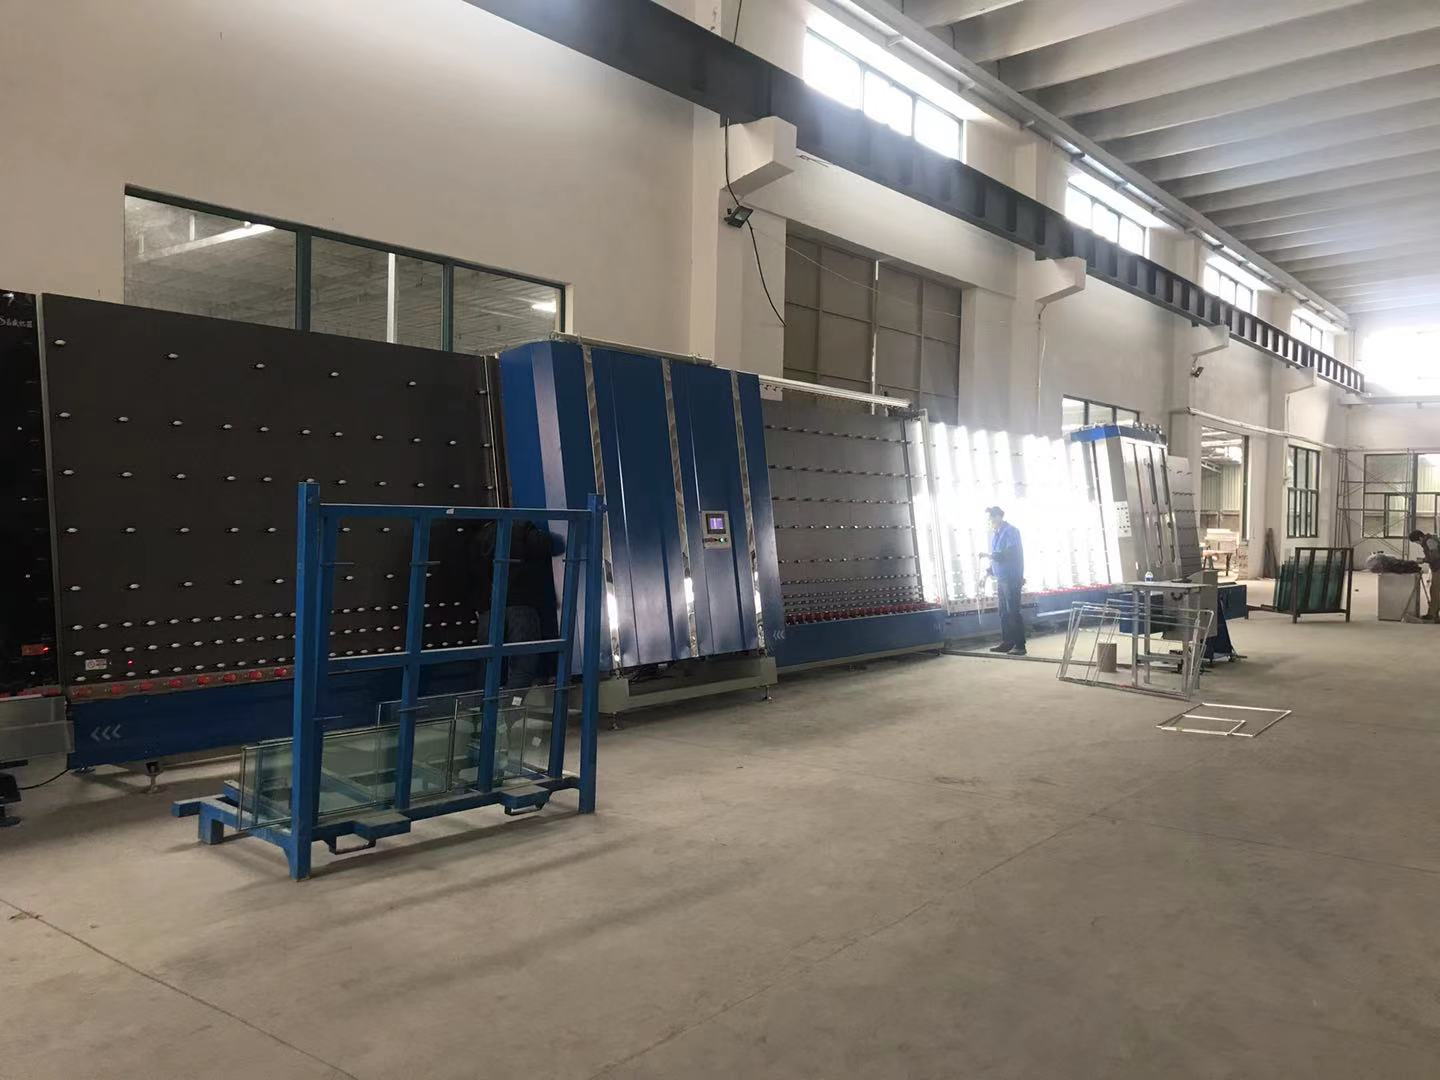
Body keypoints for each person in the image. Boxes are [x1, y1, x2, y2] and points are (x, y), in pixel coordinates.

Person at [467, 518, 559, 691]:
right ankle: (511, 705)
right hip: (520, 606)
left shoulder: (476, 539)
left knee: (488, 667)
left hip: (488, 611)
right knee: (523, 665)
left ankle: (486, 705)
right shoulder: (519, 529)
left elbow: (469, 578)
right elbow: (550, 544)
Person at [983, 506, 1026, 655]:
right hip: (1001, 578)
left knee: (1013, 611)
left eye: (991, 519)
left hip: (1011, 577)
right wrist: (988, 572)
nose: (990, 522)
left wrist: (990, 556)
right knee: (1003, 612)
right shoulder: (996, 535)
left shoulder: (1011, 531)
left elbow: (1010, 553)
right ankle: (1008, 642)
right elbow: (996, 556)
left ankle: (1020, 645)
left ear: (998, 517)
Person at [1408, 529, 1440, 622]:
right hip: (1436, 568)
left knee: (1435, 592)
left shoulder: (1429, 541)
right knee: (1434, 591)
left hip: (1438, 568)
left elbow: (1435, 556)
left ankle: (1432, 615)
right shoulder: (1429, 540)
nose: (1418, 544)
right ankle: (1434, 614)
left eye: (1417, 542)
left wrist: (1423, 560)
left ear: (1420, 538)